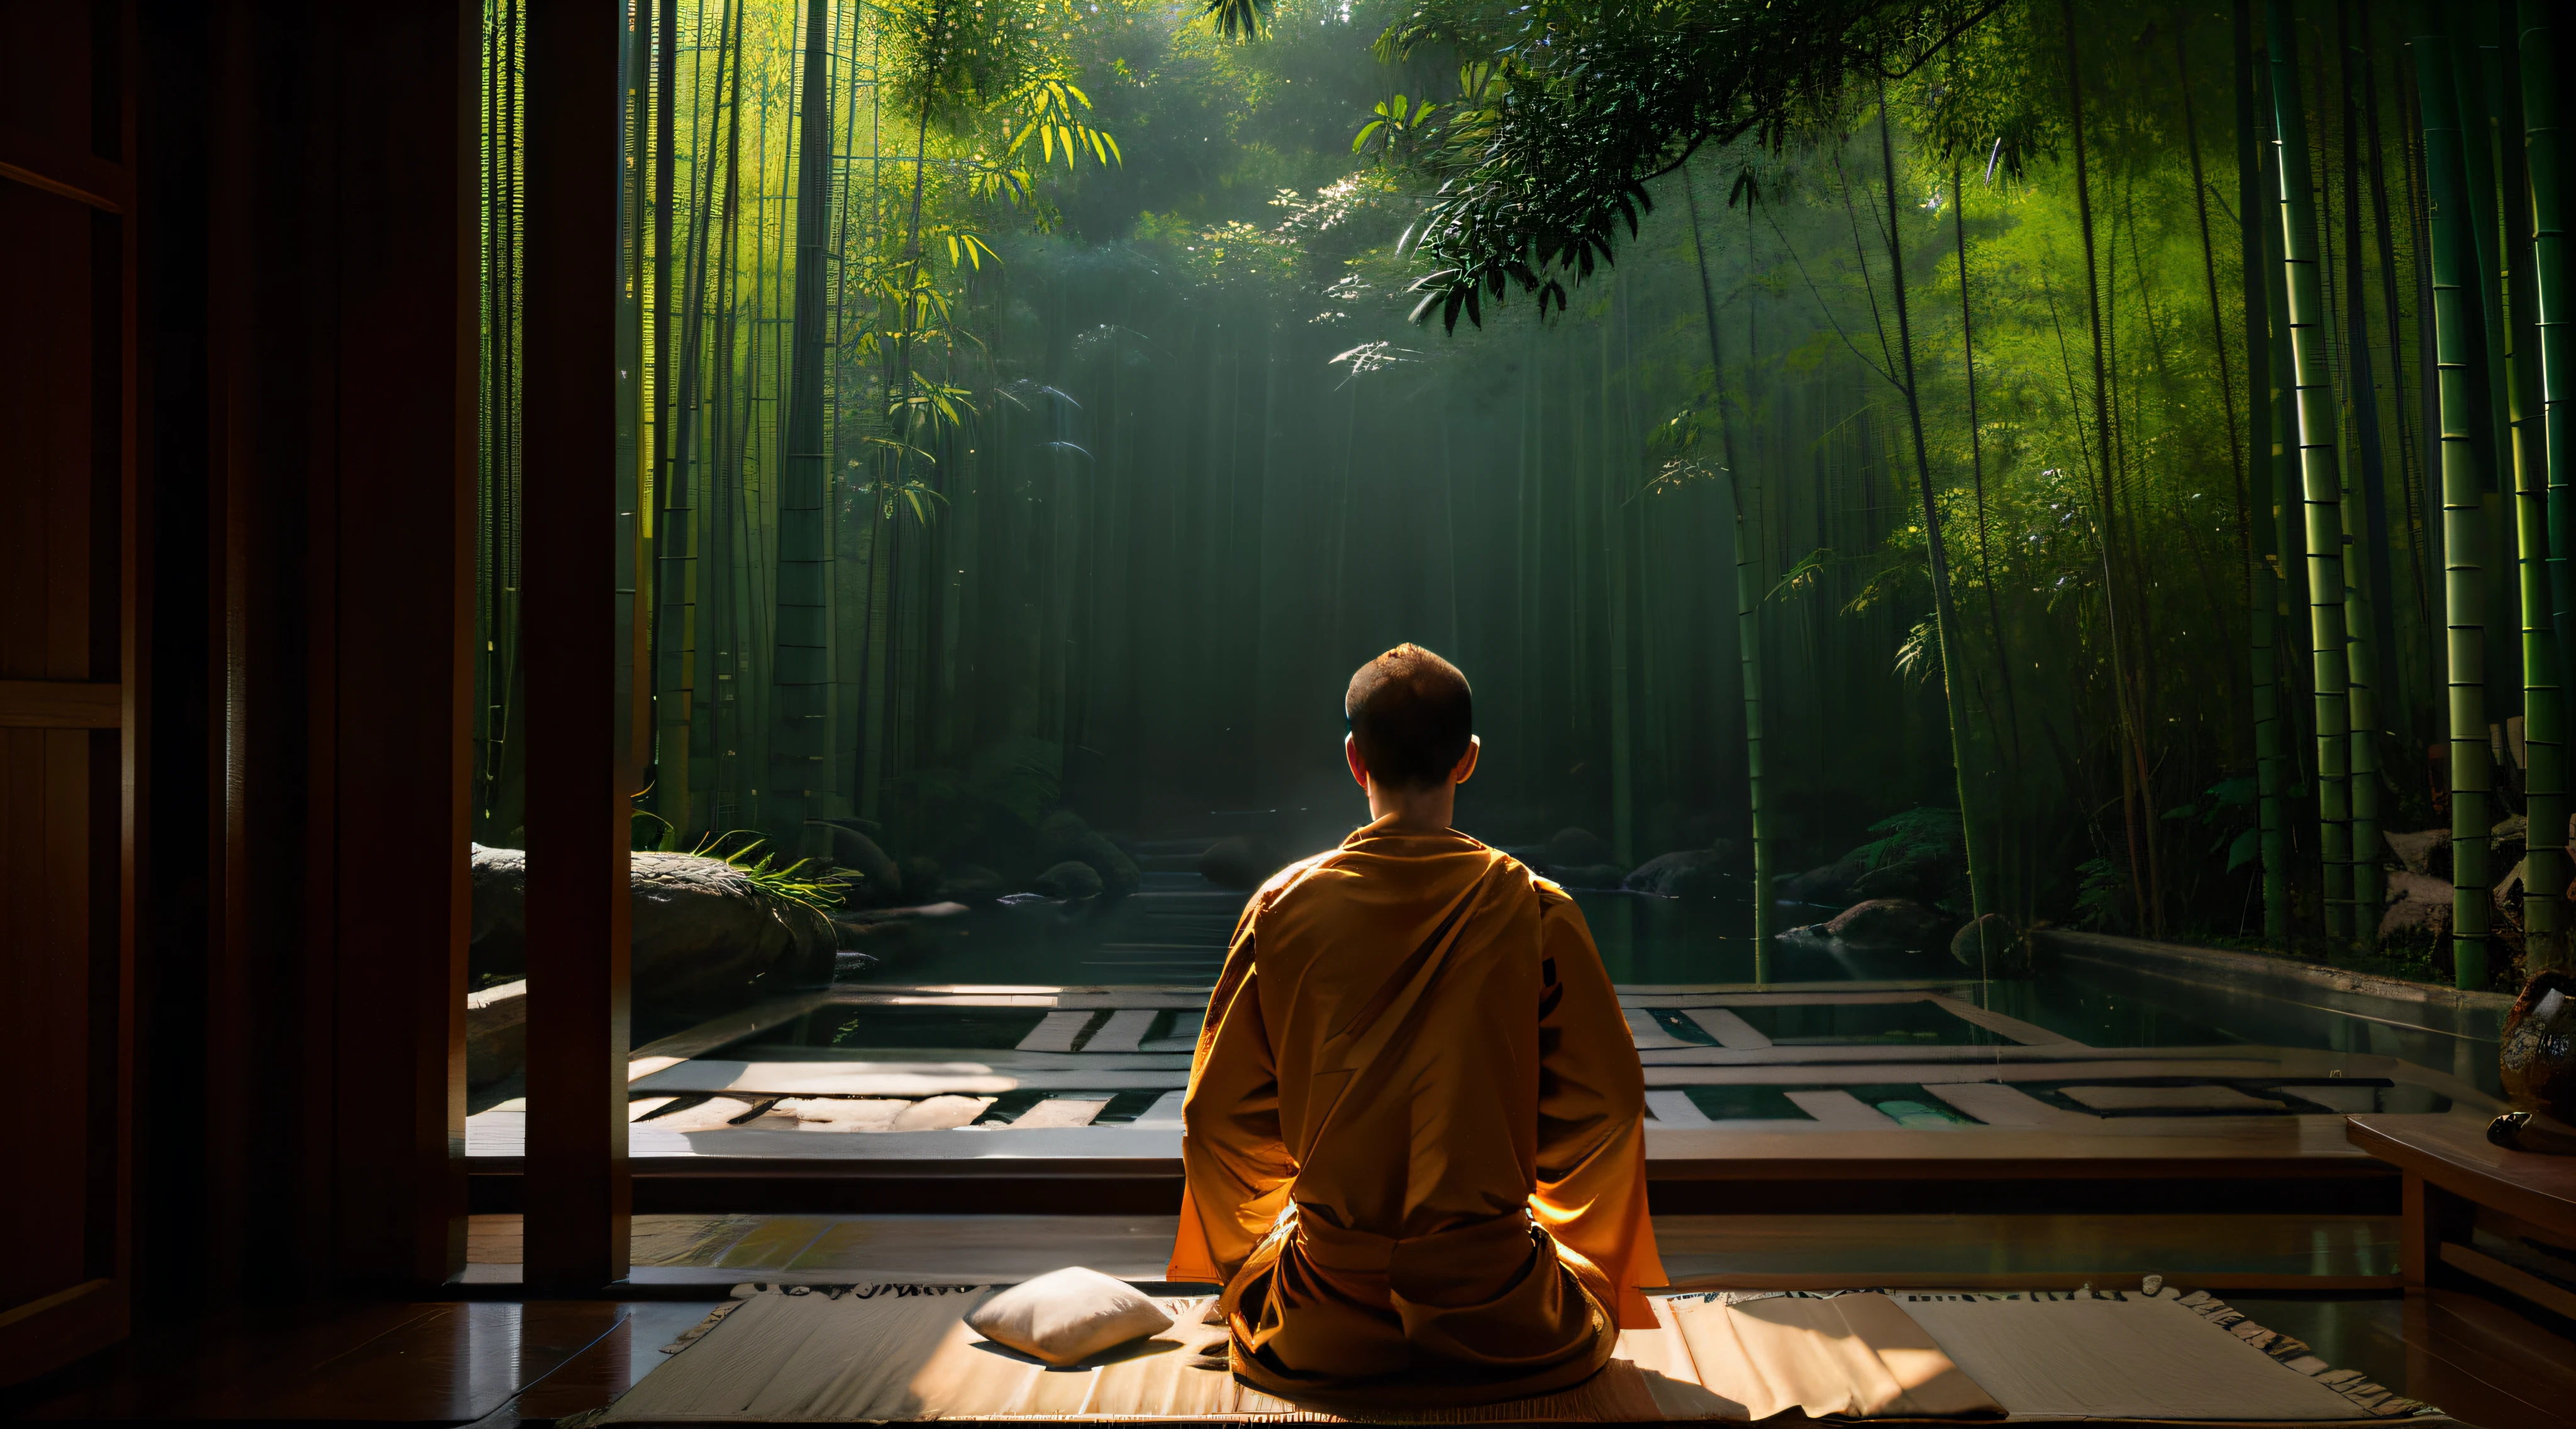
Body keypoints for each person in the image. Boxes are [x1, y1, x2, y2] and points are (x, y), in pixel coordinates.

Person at [1166, 643, 1663, 1406]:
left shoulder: (1281, 907)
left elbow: (1215, 1119)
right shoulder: (1531, 906)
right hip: (1506, 1317)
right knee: (1578, 1310)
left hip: (1318, 1317)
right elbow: (1609, 1104)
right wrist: (1526, 1210)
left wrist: (1259, 1254)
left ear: (1353, 759)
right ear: (1467, 759)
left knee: (1260, 1298)